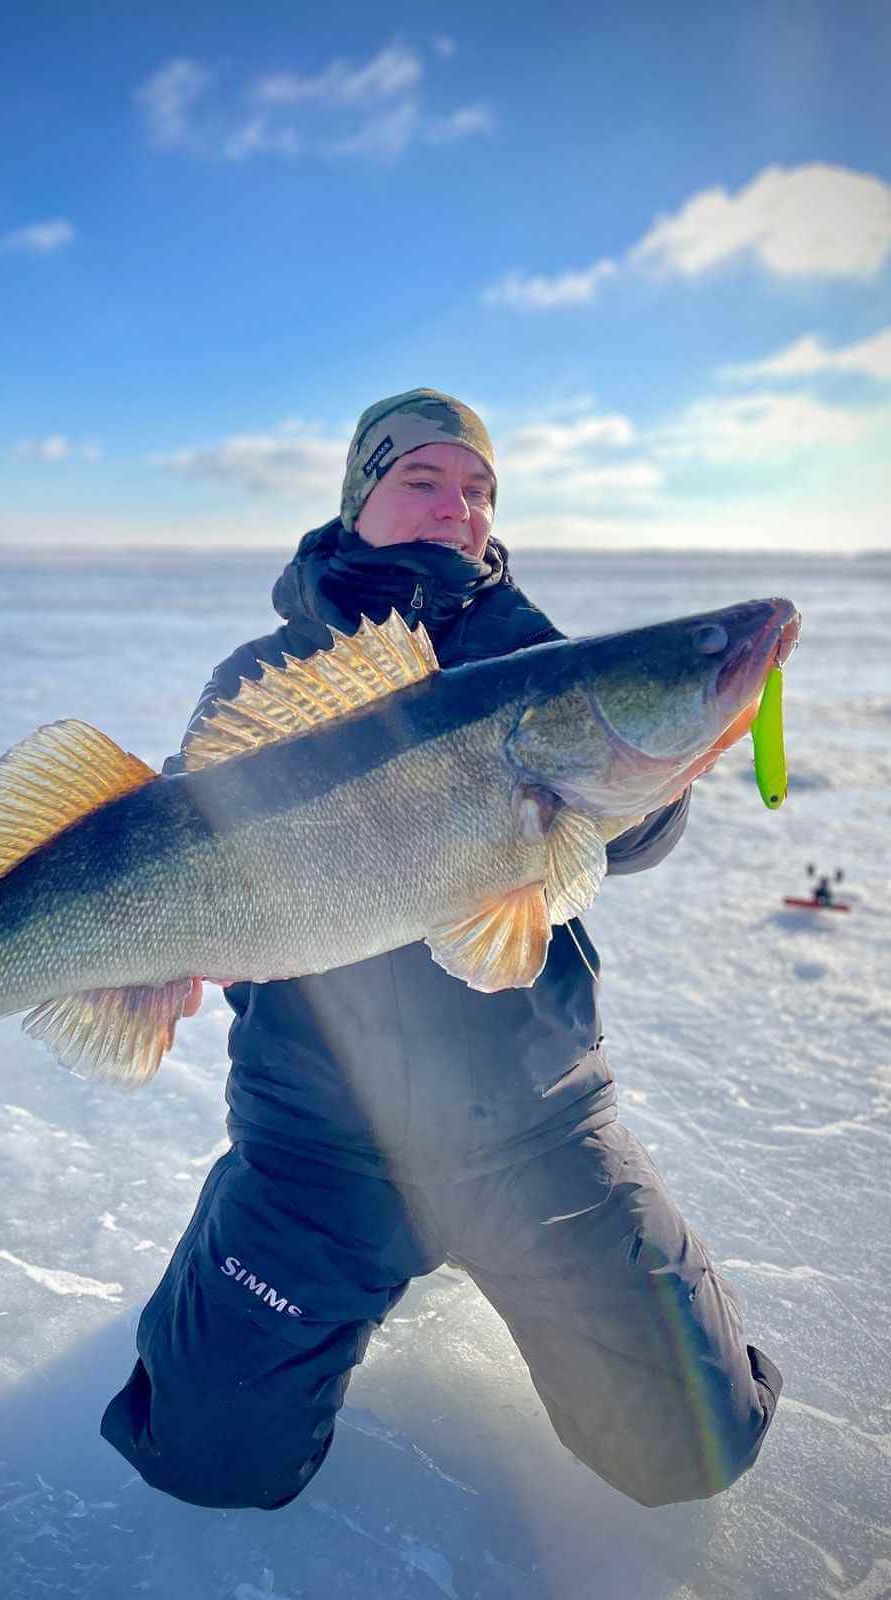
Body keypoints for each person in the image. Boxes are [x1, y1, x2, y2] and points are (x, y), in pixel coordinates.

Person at [101, 389, 781, 1510]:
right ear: (361, 496)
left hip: (531, 1124)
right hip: (319, 1141)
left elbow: (637, 825)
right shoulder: (261, 678)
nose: (457, 508)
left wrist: (671, 762)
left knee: (696, 1449)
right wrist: (159, 948)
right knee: (208, 1461)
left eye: (478, 490)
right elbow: (190, 850)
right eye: (424, 479)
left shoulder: (532, 653)